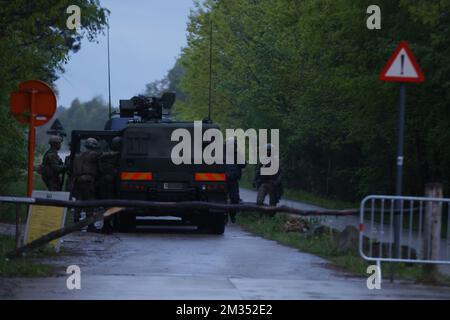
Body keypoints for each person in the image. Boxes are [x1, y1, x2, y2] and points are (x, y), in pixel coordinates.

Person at [72, 137, 101, 231]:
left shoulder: (78, 156)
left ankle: (76, 223)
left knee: (79, 202)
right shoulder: (94, 155)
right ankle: (90, 225)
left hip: (78, 181)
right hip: (88, 182)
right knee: (90, 203)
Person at [98, 136, 122, 233]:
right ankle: (107, 225)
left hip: (104, 181)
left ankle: (107, 224)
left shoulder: (103, 156)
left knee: (107, 204)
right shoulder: (117, 156)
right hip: (111, 183)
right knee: (111, 204)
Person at [253, 144, 283, 216]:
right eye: (267, 150)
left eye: (269, 150)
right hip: (263, 183)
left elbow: (281, 173)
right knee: (259, 201)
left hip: (273, 184)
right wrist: (255, 180)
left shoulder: (277, 161)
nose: (268, 152)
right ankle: (260, 215)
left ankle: (271, 216)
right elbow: (258, 171)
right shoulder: (263, 160)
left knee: (272, 203)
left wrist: (277, 182)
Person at [225, 137, 246, 223]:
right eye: (230, 145)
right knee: (222, 199)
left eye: (234, 145)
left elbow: (243, 164)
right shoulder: (222, 154)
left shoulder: (238, 155)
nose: (232, 147)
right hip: (223, 180)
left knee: (235, 199)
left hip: (233, 180)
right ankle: (224, 216)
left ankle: (232, 216)